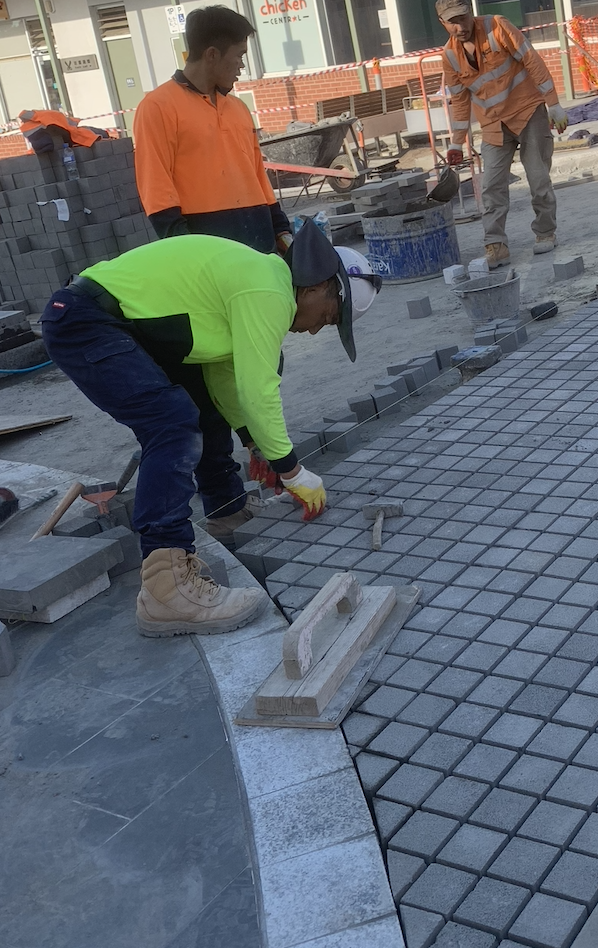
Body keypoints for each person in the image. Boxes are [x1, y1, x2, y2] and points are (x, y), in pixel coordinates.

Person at [38, 221, 379, 638]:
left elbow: (224, 378)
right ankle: (166, 590)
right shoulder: (268, 289)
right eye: (327, 317)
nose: (313, 329)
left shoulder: (258, 281)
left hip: (102, 320)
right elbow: (259, 389)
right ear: (316, 286)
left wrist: (254, 444)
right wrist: (293, 471)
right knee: (171, 423)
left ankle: (227, 512)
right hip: (85, 321)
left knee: (199, 408)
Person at [132, 4, 293, 255]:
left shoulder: (239, 108)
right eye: (239, 55)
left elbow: (258, 176)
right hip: (207, 247)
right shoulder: (157, 107)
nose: (242, 65)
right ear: (212, 55)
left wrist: (281, 229)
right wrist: (185, 246)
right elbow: (156, 186)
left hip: (260, 241)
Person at [436, 0, 568, 270]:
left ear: (470, 12)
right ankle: (496, 245)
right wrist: (456, 143)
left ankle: (545, 232)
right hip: (493, 124)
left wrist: (553, 104)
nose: (460, 27)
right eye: (452, 22)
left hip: (527, 111)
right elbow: (459, 100)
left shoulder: (497, 26)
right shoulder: (449, 56)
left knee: (538, 178)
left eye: (463, 18)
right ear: (442, 23)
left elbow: (533, 61)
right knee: (491, 187)